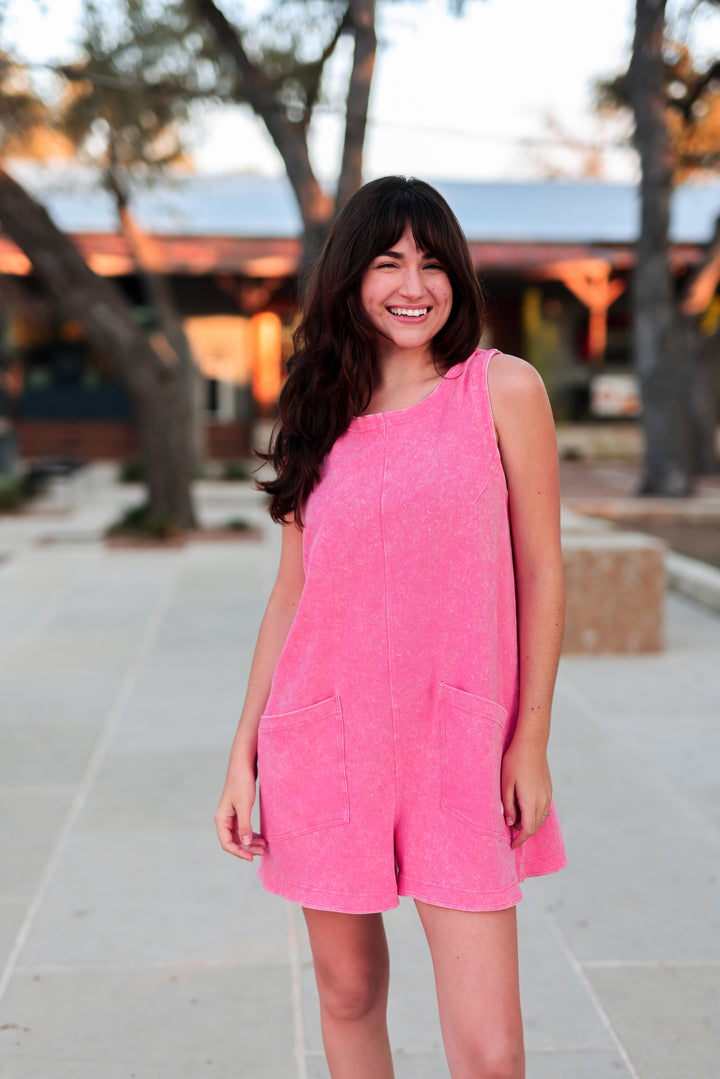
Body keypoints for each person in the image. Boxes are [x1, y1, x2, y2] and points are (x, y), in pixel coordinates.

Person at [215, 176, 567, 1079]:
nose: (414, 285)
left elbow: (542, 570)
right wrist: (243, 750)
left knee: (490, 1052)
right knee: (347, 990)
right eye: (387, 262)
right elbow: (292, 592)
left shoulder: (501, 390)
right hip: (327, 737)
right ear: (349, 280)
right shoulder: (316, 413)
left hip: (459, 738)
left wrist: (530, 740)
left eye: (433, 262)